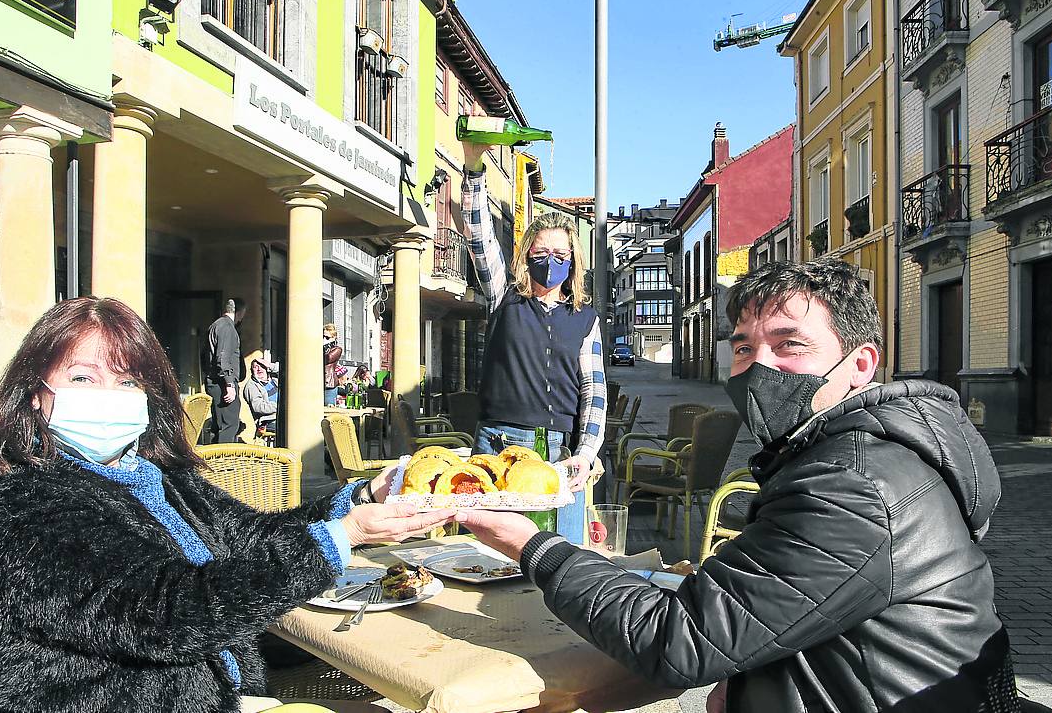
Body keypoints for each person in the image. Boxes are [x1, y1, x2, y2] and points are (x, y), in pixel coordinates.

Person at [456, 259, 1015, 713]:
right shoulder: (855, 456)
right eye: (745, 347)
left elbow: (677, 640)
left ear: (861, 364)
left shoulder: (854, 486)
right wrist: (752, 676)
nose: (758, 367)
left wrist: (534, 547)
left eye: (790, 345)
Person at [0, 297, 453, 713]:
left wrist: (361, 499)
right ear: (35, 393)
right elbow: (167, 613)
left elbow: (248, 538)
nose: (109, 395)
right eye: (83, 378)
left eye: (127, 381)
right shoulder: (13, 508)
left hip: (225, 692)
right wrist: (344, 537)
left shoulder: (154, 475)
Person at [459, 142, 606, 544]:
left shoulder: (585, 318)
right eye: (541, 252)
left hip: (559, 452)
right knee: (489, 554)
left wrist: (586, 452)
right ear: (526, 256)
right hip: (499, 444)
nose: (550, 260)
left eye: (560, 253)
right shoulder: (504, 298)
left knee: (561, 552)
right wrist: (474, 166)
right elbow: (479, 239)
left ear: (573, 261)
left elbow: (594, 391)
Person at [203, 298, 245, 443]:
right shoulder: (228, 328)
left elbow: (205, 356)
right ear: (239, 312)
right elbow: (223, 358)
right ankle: (225, 457)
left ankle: (216, 455)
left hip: (214, 381)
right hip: (222, 384)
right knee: (229, 426)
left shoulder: (215, 326)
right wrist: (229, 384)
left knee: (219, 425)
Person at [242, 353, 279, 434]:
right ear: (252, 371)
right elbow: (258, 407)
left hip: (286, 414)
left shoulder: (275, 379)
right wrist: (281, 406)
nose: (259, 369)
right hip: (270, 420)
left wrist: (271, 366)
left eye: (262, 366)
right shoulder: (251, 386)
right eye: (255, 367)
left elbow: (291, 370)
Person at [323, 322, 344, 407]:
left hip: (329, 384)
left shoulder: (337, 349)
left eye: (327, 337)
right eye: (323, 336)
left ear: (333, 338)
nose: (324, 339)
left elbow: (327, 359)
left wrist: (325, 346)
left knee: (328, 408)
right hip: (317, 383)